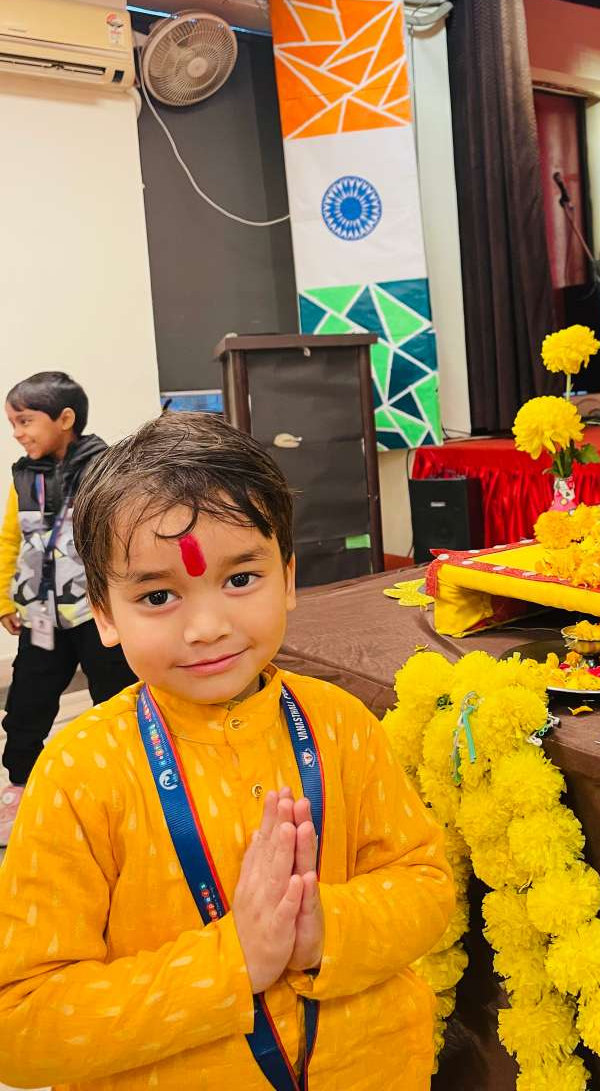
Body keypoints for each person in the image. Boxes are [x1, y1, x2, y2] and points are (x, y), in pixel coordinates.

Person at [0, 412, 453, 1090]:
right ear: (104, 614)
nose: (207, 628)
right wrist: (235, 959)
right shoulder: (79, 774)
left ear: (288, 578)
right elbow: (22, 1024)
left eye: (241, 580)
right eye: (158, 595)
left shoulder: (342, 724)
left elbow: (425, 885)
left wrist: (324, 931)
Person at [0, 371, 135, 844]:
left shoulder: (107, 469)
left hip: (97, 611)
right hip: (40, 614)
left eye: (25, 421)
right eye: (12, 424)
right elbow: (11, 539)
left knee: (117, 696)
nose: (17, 433)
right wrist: (4, 598)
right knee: (26, 701)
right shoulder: (23, 478)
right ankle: (21, 783)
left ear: (65, 419)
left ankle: (126, 777)